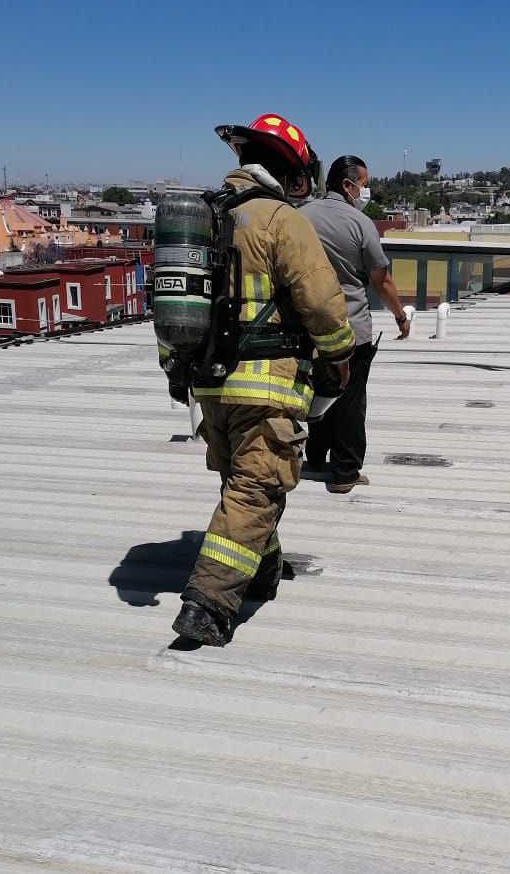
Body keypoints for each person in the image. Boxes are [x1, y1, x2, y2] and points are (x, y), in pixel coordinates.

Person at [166, 114, 355, 646]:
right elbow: (320, 301)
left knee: (246, 485)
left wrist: (176, 370)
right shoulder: (280, 220)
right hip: (265, 387)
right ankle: (207, 603)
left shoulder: (204, 216)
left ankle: (262, 572)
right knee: (259, 486)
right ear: (292, 170)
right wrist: (340, 357)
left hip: (209, 387)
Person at [301, 154, 410, 493]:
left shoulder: (300, 217)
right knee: (350, 400)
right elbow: (382, 281)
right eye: (364, 184)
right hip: (350, 328)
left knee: (318, 391)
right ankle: (345, 472)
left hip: (308, 327)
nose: (366, 191)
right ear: (347, 185)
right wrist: (400, 317)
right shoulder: (360, 224)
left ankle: (315, 457)